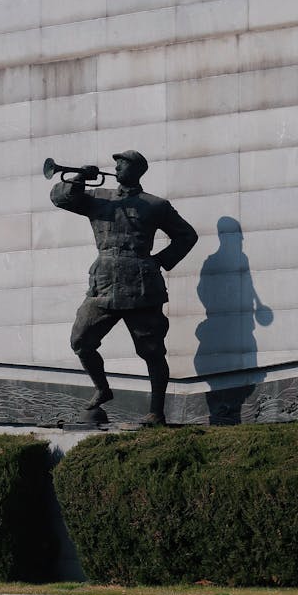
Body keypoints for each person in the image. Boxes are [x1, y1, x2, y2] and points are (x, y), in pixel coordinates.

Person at [50, 150, 198, 424]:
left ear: (137, 171)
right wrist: (81, 177)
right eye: (116, 164)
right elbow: (60, 198)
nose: (116, 169)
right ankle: (102, 389)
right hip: (104, 284)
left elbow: (187, 235)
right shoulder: (98, 198)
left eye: (123, 165)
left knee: (152, 350)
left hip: (141, 286)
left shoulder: (155, 205)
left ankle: (156, 411)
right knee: (81, 341)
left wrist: (158, 262)